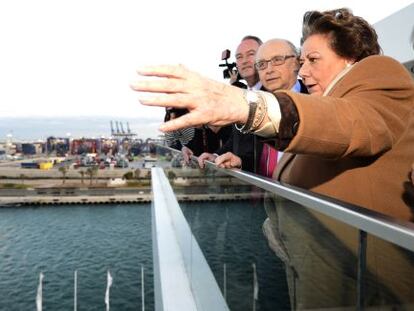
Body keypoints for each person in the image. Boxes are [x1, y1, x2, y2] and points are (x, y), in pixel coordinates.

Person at [132, 8, 414, 308]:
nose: (303, 71)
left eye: (313, 60)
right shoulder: (326, 100)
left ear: (350, 58)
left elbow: (349, 124)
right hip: (320, 274)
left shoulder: (383, 76)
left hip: (366, 289)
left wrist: (245, 106)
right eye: (303, 61)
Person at [215, 38, 308, 176]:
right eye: (262, 64)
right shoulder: (255, 102)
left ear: (296, 62)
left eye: (277, 60)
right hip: (262, 190)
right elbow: (254, 153)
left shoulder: (316, 99)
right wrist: (235, 161)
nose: (269, 70)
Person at [198, 35, 264, 173]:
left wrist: (241, 162)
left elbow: (271, 154)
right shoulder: (242, 96)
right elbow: (235, 140)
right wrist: (215, 155)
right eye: (239, 57)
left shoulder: (274, 96)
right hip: (246, 183)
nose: (244, 61)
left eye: (251, 54)